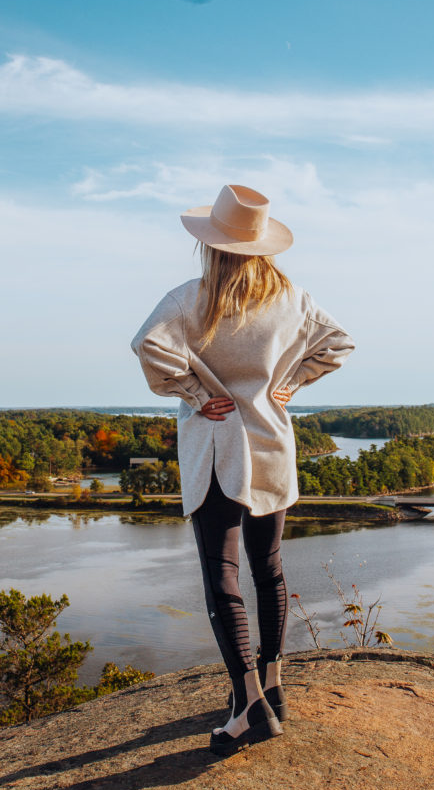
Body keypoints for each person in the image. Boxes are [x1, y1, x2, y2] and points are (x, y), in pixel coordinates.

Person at [131, 183, 355, 756]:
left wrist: (191, 391)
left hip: (215, 449)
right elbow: (338, 343)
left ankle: (248, 704)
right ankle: (274, 688)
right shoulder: (294, 300)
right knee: (270, 570)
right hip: (272, 445)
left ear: (212, 245)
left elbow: (147, 347)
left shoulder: (191, 299)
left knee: (221, 576)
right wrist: (288, 386)